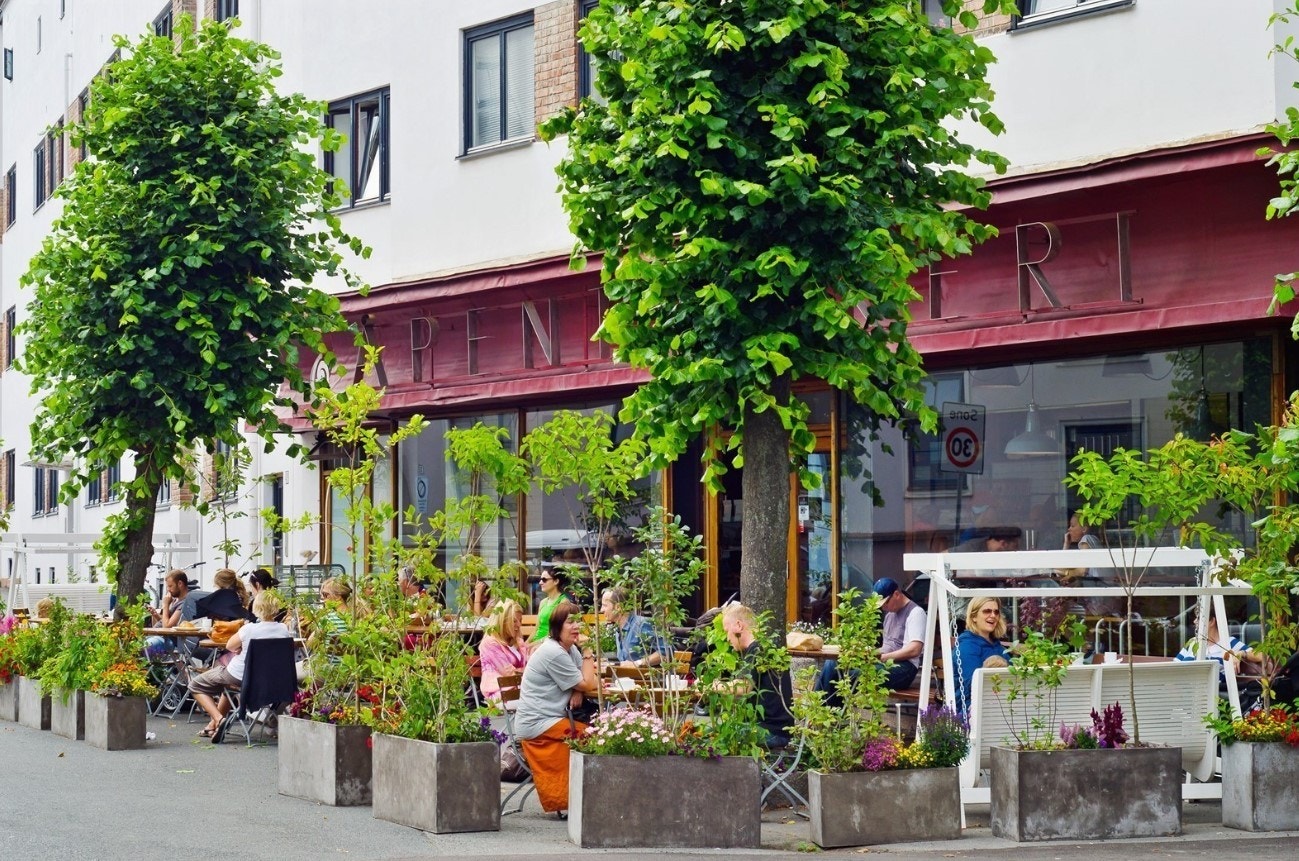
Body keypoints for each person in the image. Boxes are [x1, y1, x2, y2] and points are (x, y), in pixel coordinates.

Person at [514, 601, 599, 818]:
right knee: (591, 736)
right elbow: (589, 681)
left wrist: (578, 689)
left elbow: (589, 681)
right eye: (570, 622)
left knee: (594, 733)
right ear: (557, 627)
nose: (576, 626)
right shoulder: (554, 652)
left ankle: (583, 798)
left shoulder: (568, 650)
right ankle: (577, 799)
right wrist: (588, 652)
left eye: (578, 621)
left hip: (552, 718)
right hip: (536, 723)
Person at [190, 591, 291, 743]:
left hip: (240, 676)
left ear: (256, 607)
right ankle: (213, 726)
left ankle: (218, 719)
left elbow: (230, 646)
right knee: (228, 689)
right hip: (270, 679)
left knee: (195, 685)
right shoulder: (283, 629)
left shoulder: (249, 629)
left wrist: (240, 647)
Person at [813, 577, 927, 706]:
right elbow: (888, 646)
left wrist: (883, 657)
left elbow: (914, 649)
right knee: (833, 663)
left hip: (904, 669)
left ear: (896, 594)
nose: (883, 607)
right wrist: (865, 653)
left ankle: (824, 712)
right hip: (885, 663)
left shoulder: (916, 613)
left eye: (885, 603)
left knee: (847, 674)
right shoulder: (890, 615)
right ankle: (819, 709)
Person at [722, 603, 794, 747]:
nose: (727, 638)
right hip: (777, 730)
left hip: (772, 732)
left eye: (726, 631)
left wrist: (712, 687)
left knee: (724, 735)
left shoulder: (757, 649)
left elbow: (743, 687)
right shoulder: (762, 647)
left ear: (738, 625)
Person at [1176, 607, 1262, 684]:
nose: (1194, 621)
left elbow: (1262, 655)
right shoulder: (1192, 643)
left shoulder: (1229, 643)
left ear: (1212, 621)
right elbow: (1174, 668)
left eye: (1199, 618)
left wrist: (1241, 654)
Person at [954, 596, 1009, 715]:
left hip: (999, 704)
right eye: (987, 611)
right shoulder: (967, 647)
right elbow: (972, 686)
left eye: (996, 612)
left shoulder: (996, 645)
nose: (993, 615)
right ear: (974, 616)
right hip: (972, 710)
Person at [478, 599, 530, 703]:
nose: (519, 625)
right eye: (514, 621)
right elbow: (509, 672)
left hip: (520, 689)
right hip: (500, 694)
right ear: (502, 621)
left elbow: (527, 665)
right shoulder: (490, 643)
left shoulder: (518, 641)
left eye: (520, 620)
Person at [601, 586, 666, 668]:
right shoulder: (619, 630)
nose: (601, 610)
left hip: (647, 676)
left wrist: (638, 663)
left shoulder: (642, 624)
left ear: (618, 607)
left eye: (605, 605)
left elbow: (666, 652)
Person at [528, 568, 572, 644]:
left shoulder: (563, 602)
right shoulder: (543, 602)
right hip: (537, 643)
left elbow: (557, 632)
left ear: (556, 581)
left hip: (550, 643)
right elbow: (536, 629)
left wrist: (535, 644)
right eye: (540, 579)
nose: (540, 582)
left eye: (544, 580)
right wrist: (526, 644)